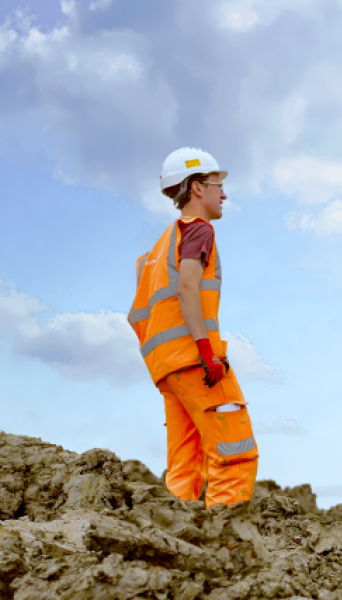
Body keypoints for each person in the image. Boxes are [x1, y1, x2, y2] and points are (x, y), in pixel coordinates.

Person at [128, 147, 258, 508]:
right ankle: (228, 544)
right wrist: (203, 352)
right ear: (198, 188)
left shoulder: (154, 252)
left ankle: (173, 543)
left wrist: (165, 360)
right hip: (198, 364)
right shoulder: (198, 231)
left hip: (167, 369)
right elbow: (187, 289)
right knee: (234, 454)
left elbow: (134, 316)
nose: (224, 193)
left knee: (184, 465)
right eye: (218, 184)